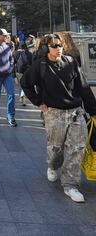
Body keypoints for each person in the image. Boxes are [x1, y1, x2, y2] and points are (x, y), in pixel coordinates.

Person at [20, 34, 96, 203]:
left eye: (60, 45)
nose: (58, 48)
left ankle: (70, 185)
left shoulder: (71, 62)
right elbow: (25, 82)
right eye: (54, 46)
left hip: (76, 112)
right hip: (54, 113)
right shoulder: (40, 65)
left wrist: (93, 111)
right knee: (56, 148)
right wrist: (39, 102)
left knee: (76, 148)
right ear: (47, 48)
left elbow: (83, 87)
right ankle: (53, 165)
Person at [14, 42, 32, 106]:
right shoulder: (29, 54)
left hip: (18, 72)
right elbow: (32, 64)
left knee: (21, 86)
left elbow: (13, 65)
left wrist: (14, 76)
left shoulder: (15, 53)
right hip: (27, 72)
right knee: (25, 85)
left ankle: (21, 97)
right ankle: (24, 98)